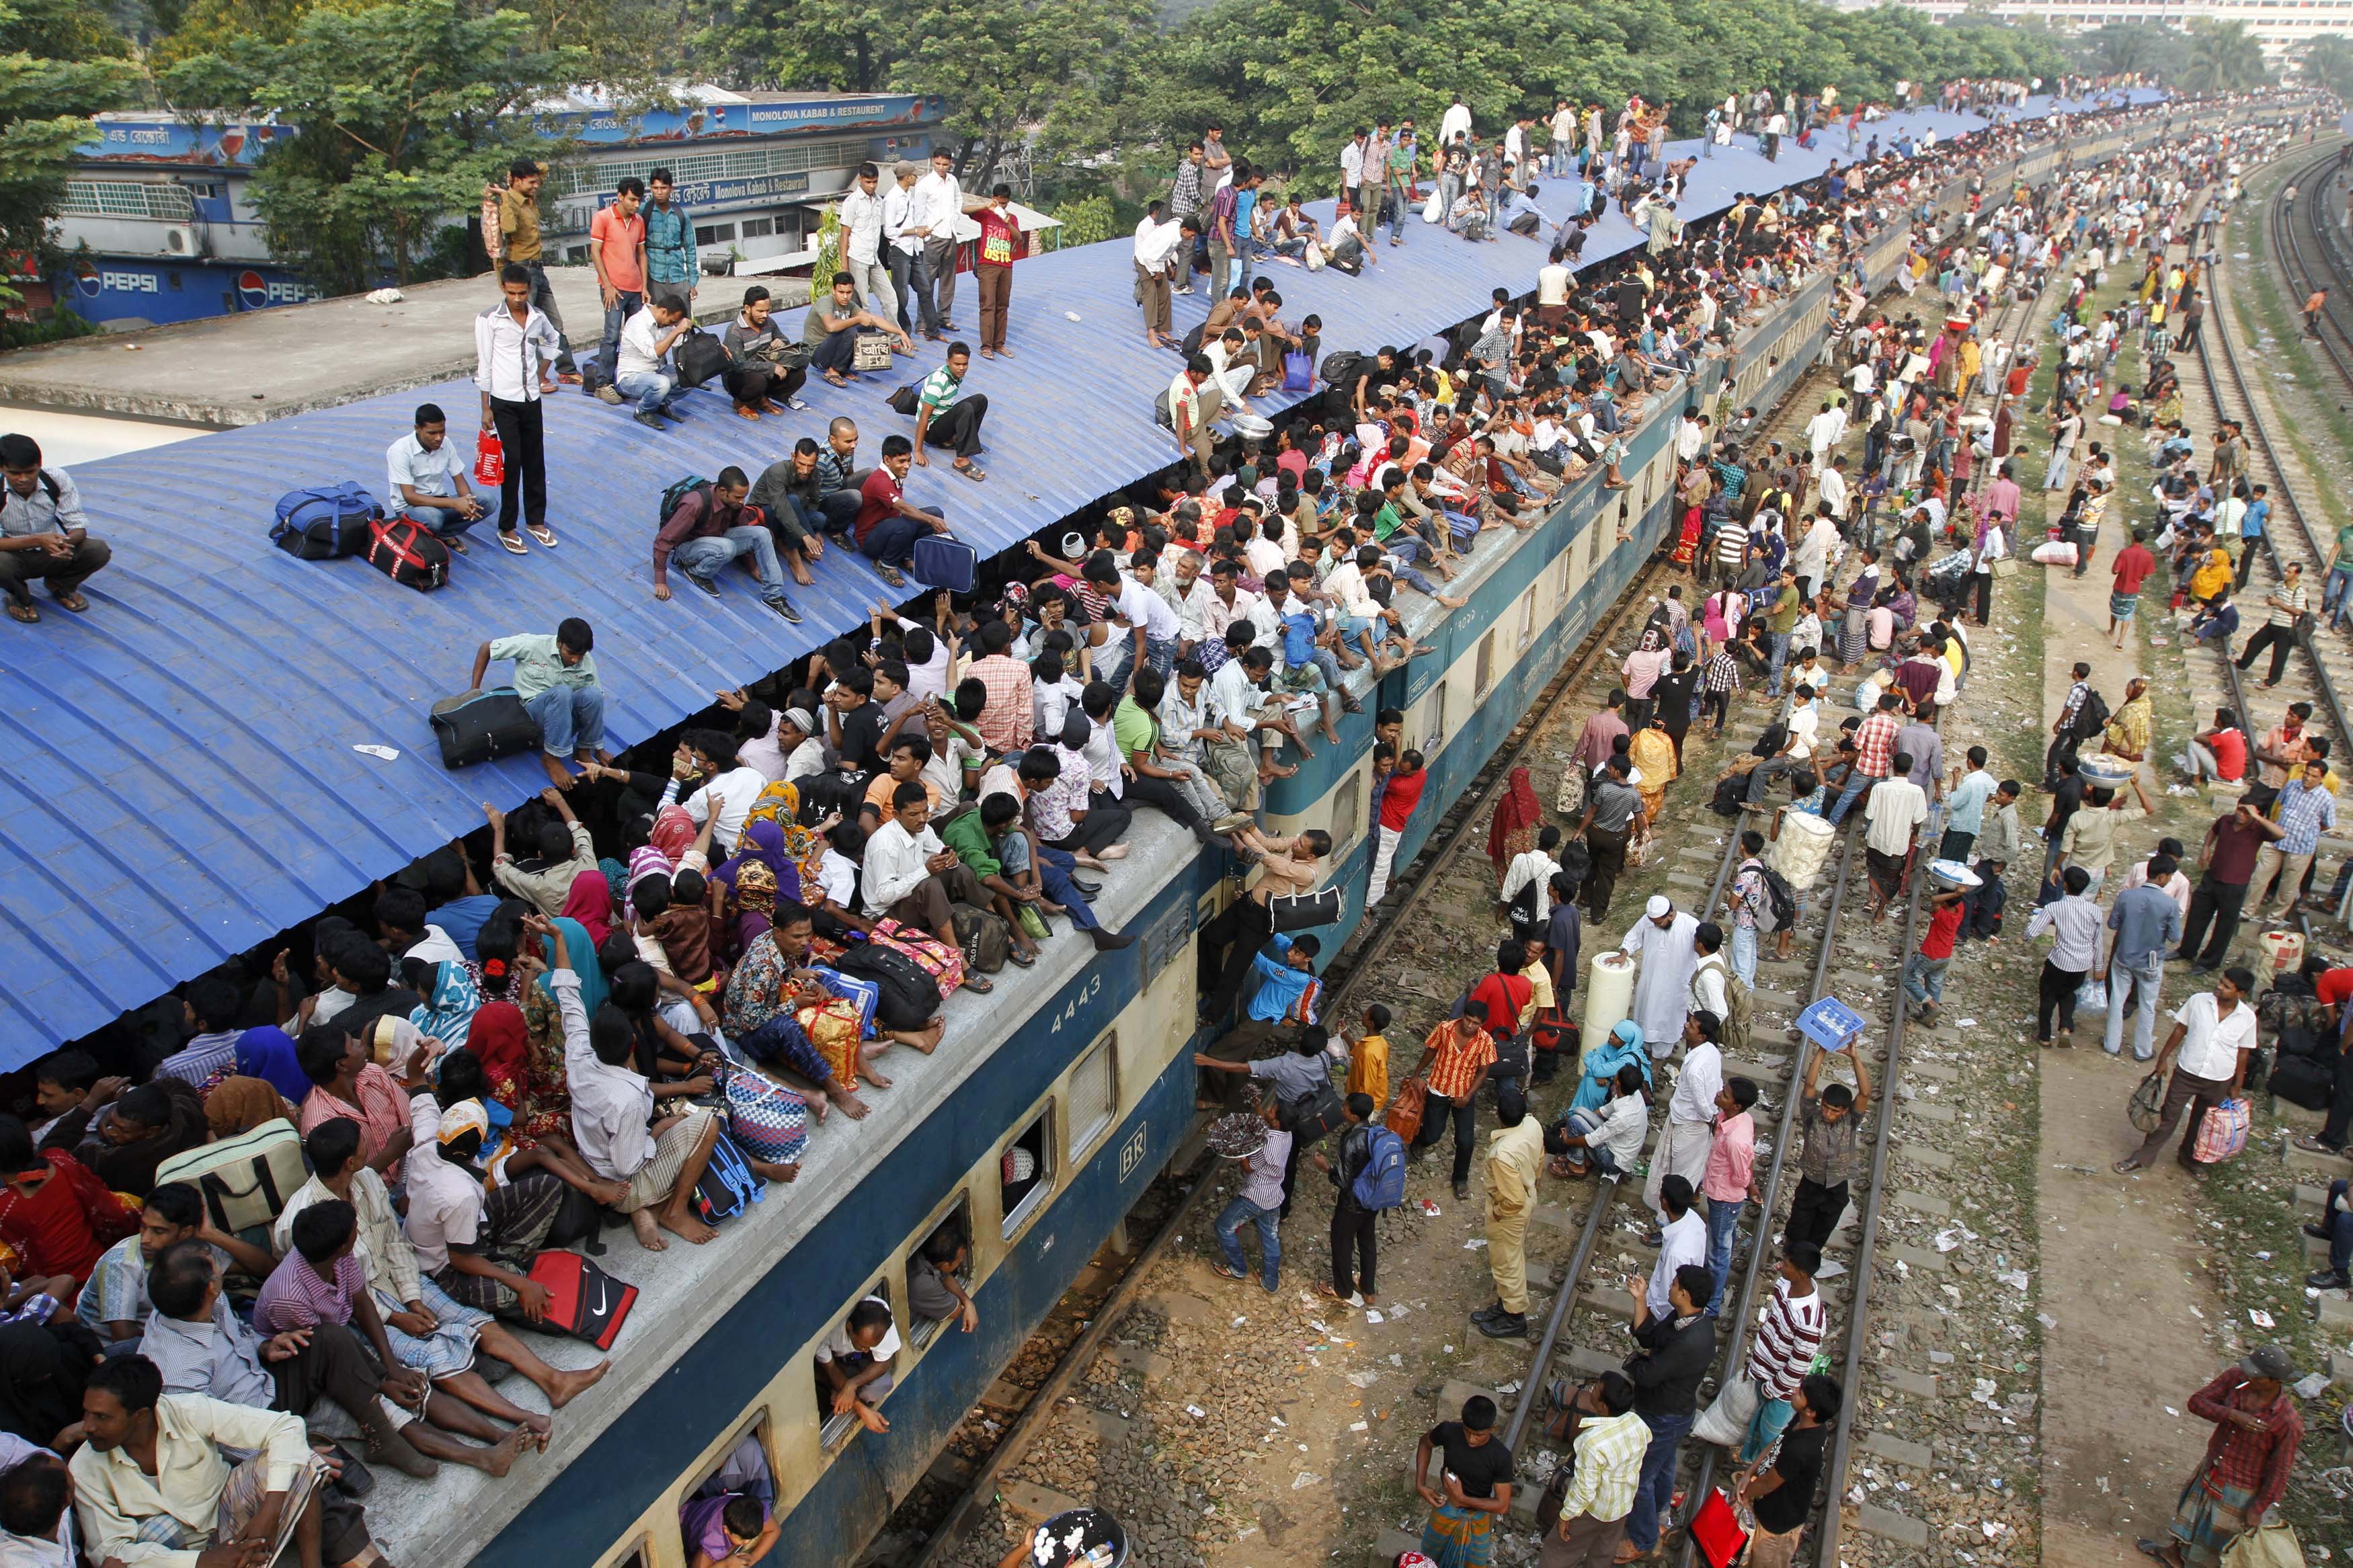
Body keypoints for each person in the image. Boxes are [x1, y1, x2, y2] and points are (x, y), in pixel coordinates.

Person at [71, 1356, 378, 1568]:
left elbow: (286, 1426)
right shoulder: (85, 1466)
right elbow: (109, 1554)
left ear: (140, 1416)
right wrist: (204, 1562)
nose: (87, 1426)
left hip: (232, 1518)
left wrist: (270, 1512)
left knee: (300, 1459)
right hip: (180, 1557)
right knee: (155, 1533)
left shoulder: (187, 1411)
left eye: (101, 1417)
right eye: (86, 1413)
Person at [543, 917, 729, 1249]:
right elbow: (628, 1164)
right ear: (631, 1045)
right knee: (709, 1125)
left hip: (594, 1150)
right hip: (622, 1181)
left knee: (675, 1121)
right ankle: (668, 1211)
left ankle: (647, 1213)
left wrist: (558, 939)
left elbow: (568, 994)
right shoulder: (626, 1098)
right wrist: (656, 1134)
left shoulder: (579, 1052)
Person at [2143, 1348, 2303, 1568]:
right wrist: (2231, 1414)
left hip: (2240, 1487)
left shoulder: (2287, 1422)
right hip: (2214, 1465)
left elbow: (2280, 1469)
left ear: (2273, 1381)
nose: (2248, 1376)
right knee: (2194, 1517)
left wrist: (2259, 1507)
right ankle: (2173, 1555)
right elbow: (2196, 1403)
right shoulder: (2235, 1379)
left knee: (2215, 1541)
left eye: (2256, 1375)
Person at [2115, 968, 2260, 1175]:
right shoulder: (2199, 1001)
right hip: (2187, 1072)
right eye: (2221, 982)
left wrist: (2237, 1084)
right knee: (2168, 1117)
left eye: (2227, 986)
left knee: (2202, 1122)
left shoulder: (2247, 1018)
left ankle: (2188, 1157)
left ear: (2241, 994)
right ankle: (2143, 1156)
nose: (2219, 987)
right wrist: (2163, 1059)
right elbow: (2179, 1031)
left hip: (2219, 1079)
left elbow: (2243, 1052)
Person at [1620, 1262, 1715, 1562]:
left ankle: (1644, 1538)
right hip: (1673, 1413)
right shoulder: (1686, 1319)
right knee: (1662, 1467)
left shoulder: (1690, 1341)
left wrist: (1633, 1362)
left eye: (1675, 1283)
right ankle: (1660, 1514)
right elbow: (1650, 1337)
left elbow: (1647, 1375)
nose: (1670, 1285)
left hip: (1663, 1416)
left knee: (1638, 1478)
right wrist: (1640, 1298)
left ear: (1684, 1294)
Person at [473, 263, 564, 555]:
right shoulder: (489, 319)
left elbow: (554, 339)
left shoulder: (537, 317)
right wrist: (485, 406)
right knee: (512, 461)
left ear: (529, 290)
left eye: (522, 293)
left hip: (531, 400)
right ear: (503, 289)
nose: (516, 298)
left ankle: (535, 521)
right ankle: (507, 526)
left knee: (535, 461)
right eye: (511, 293)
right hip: (503, 400)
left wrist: (542, 371)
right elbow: (484, 363)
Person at [469, 618, 606, 790]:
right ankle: (552, 758)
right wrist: (474, 691)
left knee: (594, 694)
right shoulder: (533, 645)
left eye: (581, 655)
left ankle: (584, 749)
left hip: (562, 725)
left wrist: (599, 749)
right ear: (558, 643)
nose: (575, 660)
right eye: (570, 653)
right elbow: (486, 649)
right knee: (562, 691)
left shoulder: (586, 662)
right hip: (531, 717)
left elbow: (594, 703)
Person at [652, 466, 801, 622]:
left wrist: (752, 567)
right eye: (738, 497)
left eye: (744, 497)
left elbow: (744, 530)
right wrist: (660, 581)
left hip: (717, 538)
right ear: (723, 491)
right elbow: (663, 541)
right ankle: (697, 572)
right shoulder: (694, 504)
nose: (742, 501)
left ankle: (774, 596)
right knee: (726, 548)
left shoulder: (734, 504)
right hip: (689, 548)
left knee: (762, 534)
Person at [0, 434, 112, 624]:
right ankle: (20, 598)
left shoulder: (56, 479)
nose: (23, 479)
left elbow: (77, 525)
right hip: (14, 556)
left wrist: (63, 543)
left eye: (30, 472)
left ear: (40, 465)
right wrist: (39, 540)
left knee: (98, 550)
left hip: (55, 551)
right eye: (14, 473)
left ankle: (59, 585)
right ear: (2, 468)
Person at [1734, 1374, 1841, 1568]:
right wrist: (1750, 1472)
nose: (1794, 1391)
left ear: (1810, 1411)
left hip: (1775, 1527)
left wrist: (1744, 1495)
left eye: (1800, 1393)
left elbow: (1768, 1484)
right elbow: (1777, 1443)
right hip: (1765, 1509)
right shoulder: (1803, 1423)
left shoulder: (1801, 1450)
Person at [1540, 1372, 1646, 1568]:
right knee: (1602, 1554)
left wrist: (1566, 1516)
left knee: (1559, 1551)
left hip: (1594, 1509)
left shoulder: (1592, 1442)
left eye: (1596, 1389)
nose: (1592, 1390)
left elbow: (1585, 1490)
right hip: (1622, 1505)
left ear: (1603, 1406)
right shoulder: (1637, 1423)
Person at [1738, 1245, 1827, 1466]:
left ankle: (1763, 1470)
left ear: (1802, 1274)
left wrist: (1772, 1389)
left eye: (1786, 1264)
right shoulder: (1783, 1284)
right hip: (1765, 1372)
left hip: (1782, 1389)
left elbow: (1797, 1367)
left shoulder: (1810, 1322)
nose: (1780, 1266)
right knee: (1758, 1423)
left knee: (1771, 1435)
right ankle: (1751, 1461)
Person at [1472, 1091, 1545, 1339]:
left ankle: (1515, 1317)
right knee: (1512, 1257)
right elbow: (1541, 1157)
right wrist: (1532, 1181)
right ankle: (1505, 1305)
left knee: (1507, 1263)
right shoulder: (1532, 1125)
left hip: (1510, 1211)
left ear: (1498, 1116)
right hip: (1527, 1195)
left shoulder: (1502, 1154)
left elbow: (1512, 1200)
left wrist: (1497, 1211)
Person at [496, 158, 577, 380]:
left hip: (538, 270)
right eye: (531, 182)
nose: (536, 185)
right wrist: (506, 195)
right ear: (518, 181)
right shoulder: (510, 201)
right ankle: (535, 376)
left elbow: (543, 168)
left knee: (554, 323)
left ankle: (567, 371)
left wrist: (514, 178)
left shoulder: (528, 197)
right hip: (522, 270)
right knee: (528, 327)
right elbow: (509, 227)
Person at [1413, 1395, 1514, 1568]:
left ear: (1493, 1429)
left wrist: (1463, 1500)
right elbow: (1425, 1444)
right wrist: (1420, 1484)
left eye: (1479, 1435)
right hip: (1446, 1509)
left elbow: (1502, 1505)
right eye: (1468, 1432)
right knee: (1428, 1560)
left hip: (1477, 1518)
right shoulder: (1448, 1431)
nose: (1471, 1439)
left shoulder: (1501, 1457)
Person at [1784, 1043, 1866, 1254]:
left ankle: (1806, 1265)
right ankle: (1790, 1260)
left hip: (1836, 1188)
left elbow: (1865, 1093)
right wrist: (1822, 1050)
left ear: (1845, 1111)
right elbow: (1810, 1084)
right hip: (1811, 1183)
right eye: (1826, 1107)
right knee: (1797, 1230)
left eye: (1834, 1111)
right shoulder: (1812, 1118)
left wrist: (1855, 1058)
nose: (1828, 1113)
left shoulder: (1851, 1121)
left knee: (1820, 1234)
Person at [1406, 1012, 1497, 1203]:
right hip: (1439, 1089)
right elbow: (1430, 1051)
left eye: (1476, 1023)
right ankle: (1419, 1142)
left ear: (1482, 1024)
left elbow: (1483, 1072)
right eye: (1468, 1020)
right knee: (1433, 1134)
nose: (1470, 1026)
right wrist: (1417, 1074)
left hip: (1464, 1094)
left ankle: (1460, 1179)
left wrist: (1468, 1096)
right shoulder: (1444, 1029)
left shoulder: (1486, 1041)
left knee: (1466, 1141)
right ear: (1463, 1016)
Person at [2103, 856, 2184, 1061]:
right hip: (2151, 961)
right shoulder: (2170, 904)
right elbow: (2175, 937)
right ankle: (2143, 1051)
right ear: (2163, 877)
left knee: (2117, 1000)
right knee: (2148, 1006)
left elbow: (2113, 924)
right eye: (2170, 877)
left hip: (2124, 956)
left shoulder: (2126, 897)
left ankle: (2111, 1044)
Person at [854, 435, 955, 590]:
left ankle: (906, 554)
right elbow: (903, 508)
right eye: (901, 461)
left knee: (935, 512)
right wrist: (931, 521)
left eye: (908, 460)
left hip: (888, 529)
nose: (907, 465)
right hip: (870, 541)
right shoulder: (880, 482)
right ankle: (886, 564)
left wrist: (933, 518)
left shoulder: (894, 475)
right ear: (887, 460)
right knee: (906, 525)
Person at [1211, 1094, 1289, 1292]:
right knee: (1270, 1238)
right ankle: (1270, 1283)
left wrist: (1241, 1153)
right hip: (1274, 1195)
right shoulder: (1287, 1135)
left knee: (1223, 1227)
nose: (1268, 1110)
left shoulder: (1265, 1144)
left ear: (1277, 1121)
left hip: (1255, 1196)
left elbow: (1248, 1169)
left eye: (1271, 1111)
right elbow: (1265, 1124)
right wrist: (1258, 1107)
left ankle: (1238, 1269)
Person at [385, 403, 487, 551]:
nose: (438, 438)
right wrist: (454, 504)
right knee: (433, 517)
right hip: (411, 508)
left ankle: (444, 534)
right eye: (432, 433)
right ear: (418, 429)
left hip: (440, 501)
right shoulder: (400, 451)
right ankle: (430, 536)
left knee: (487, 502)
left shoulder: (446, 443)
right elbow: (409, 497)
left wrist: (468, 501)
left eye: (442, 432)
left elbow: (459, 479)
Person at [1698, 1076, 1758, 1317]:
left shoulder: (1736, 1140)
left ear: (1736, 1106)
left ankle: (1712, 1305)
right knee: (1723, 1241)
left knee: (1718, 1252)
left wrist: (1749, 1186)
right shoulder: (1734, 1119)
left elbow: (1741, 1177)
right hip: (1719, 1191)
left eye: (1725, 1094)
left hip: (1725, 1198)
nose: (1719, 1093)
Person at [1317, 1092, 1382, 1308]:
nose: (1342, 1109)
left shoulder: (1351, 1139)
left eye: (1345, 1107)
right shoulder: (1377, 1133)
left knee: (1342, 1241)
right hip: (1373, 1199)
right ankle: (1368, 1289)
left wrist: (1326, 1167)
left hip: (1353, 1202)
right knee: (1367, 1240)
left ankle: (1342, 1288)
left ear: (1354, 1116)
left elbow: (1343, 1179)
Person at [2028, 866, 2102, 1047]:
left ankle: (2045, 1037)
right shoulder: (2095, 911)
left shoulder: (2054, 907)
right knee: (2069, 993)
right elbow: (2098, 942)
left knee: (2048, 996)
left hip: (2059, 961)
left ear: (2065, 885)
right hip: (2082, 964)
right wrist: (2099, 968)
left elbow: (2031, 933)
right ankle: (2066, 1027)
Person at [1616, 895, 1699, 1057]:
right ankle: (1644, 1049)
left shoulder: (1690, 925)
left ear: (1671, 915)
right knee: (1645, 1015)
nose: (1656, 926)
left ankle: (1659, 1058)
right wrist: (1623, 954)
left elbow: (1706, 947)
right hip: (1649, 982)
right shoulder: (1649, 921)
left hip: (1674, 987)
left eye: (1659, 923)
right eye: (1654, 923)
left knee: (1667, 1022)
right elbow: (1634, 936)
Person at [588, 176, 648, 398]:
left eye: (639, 200)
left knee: (636, 336)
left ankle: (634, 378)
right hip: (613, 290)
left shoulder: (639, 221)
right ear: (620, 196)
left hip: (635, 289)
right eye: (632, 200)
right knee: (611, 336)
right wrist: (608, 285)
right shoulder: (602, 218)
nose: (636, 205)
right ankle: (603, 384)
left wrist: (644, 286)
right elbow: (595, 253)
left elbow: (641, 254)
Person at [801, 272, 912, 388]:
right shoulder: (826, 302)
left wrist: (901, 332)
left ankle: (842, 368)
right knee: (851, 331)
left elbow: (873, 319)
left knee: (868, 326)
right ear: (833, 290)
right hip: (817, 356)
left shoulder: (850, 305)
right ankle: (833, 371)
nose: (845, 297)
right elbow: (831, 326)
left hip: (834, 352)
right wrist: (858, 319)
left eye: (849, 293)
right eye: (841, 292)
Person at [817, 1296, 898, 1436]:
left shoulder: (880, 1317)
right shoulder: (826, 1333)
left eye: (871, 1347)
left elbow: (884, 1362)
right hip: (838, 1363)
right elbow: (830, 1368)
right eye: (863, 1345)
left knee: (881, 1385)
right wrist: (862, 1409)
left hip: (861, 1364)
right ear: (849, 1327)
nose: (867, 1350)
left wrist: (851, 1385)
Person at [912, 343, 990, 482]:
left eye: (965, 364)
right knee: (965, 408)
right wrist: (918, 451)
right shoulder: (939, 382)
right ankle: (961, 459)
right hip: (932, 432)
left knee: (981, 400)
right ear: (948, 362)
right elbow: (924, 417)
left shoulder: (955, 374)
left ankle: (959, 441)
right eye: (957, 364)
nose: (962, 368)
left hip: (943, 420)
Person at [973, 183, 1019, 359]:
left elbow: (1018, 237)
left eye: (1005, 203)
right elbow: (964, 210)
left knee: (1003, 306)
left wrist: (1008, 222)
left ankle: (999, 344)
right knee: (987, 306)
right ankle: (986, 346)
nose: (1002, 206)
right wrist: (987, 206)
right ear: (994, 198)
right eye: (999, 202)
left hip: (1006, 266)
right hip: (987, 264)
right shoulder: (986, 214)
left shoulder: (1012, 218)